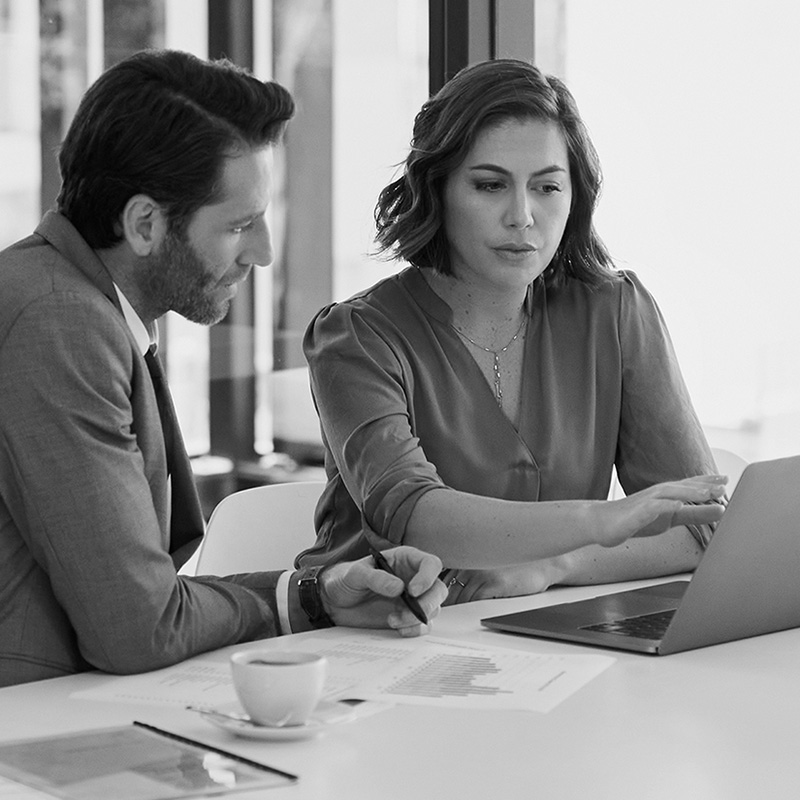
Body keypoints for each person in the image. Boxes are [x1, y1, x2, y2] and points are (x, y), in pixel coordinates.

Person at [0, 49, 446, 689]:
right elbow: (139, 627)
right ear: (145, 223)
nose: (262, 253)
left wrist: (315, 594)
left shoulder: (72, 299)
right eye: (240, 225)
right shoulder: (59, 322)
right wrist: (303, 600)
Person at [298, 58, 726, 603]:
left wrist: (556, 565)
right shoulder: (357, 336)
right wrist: (602, 520)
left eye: (547, 187)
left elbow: (701, 525)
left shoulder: (615, 311)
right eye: (489, 185)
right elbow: (413, 516)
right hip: (378, 639)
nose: (522, 215)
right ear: (437, 189)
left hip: (545, 641)